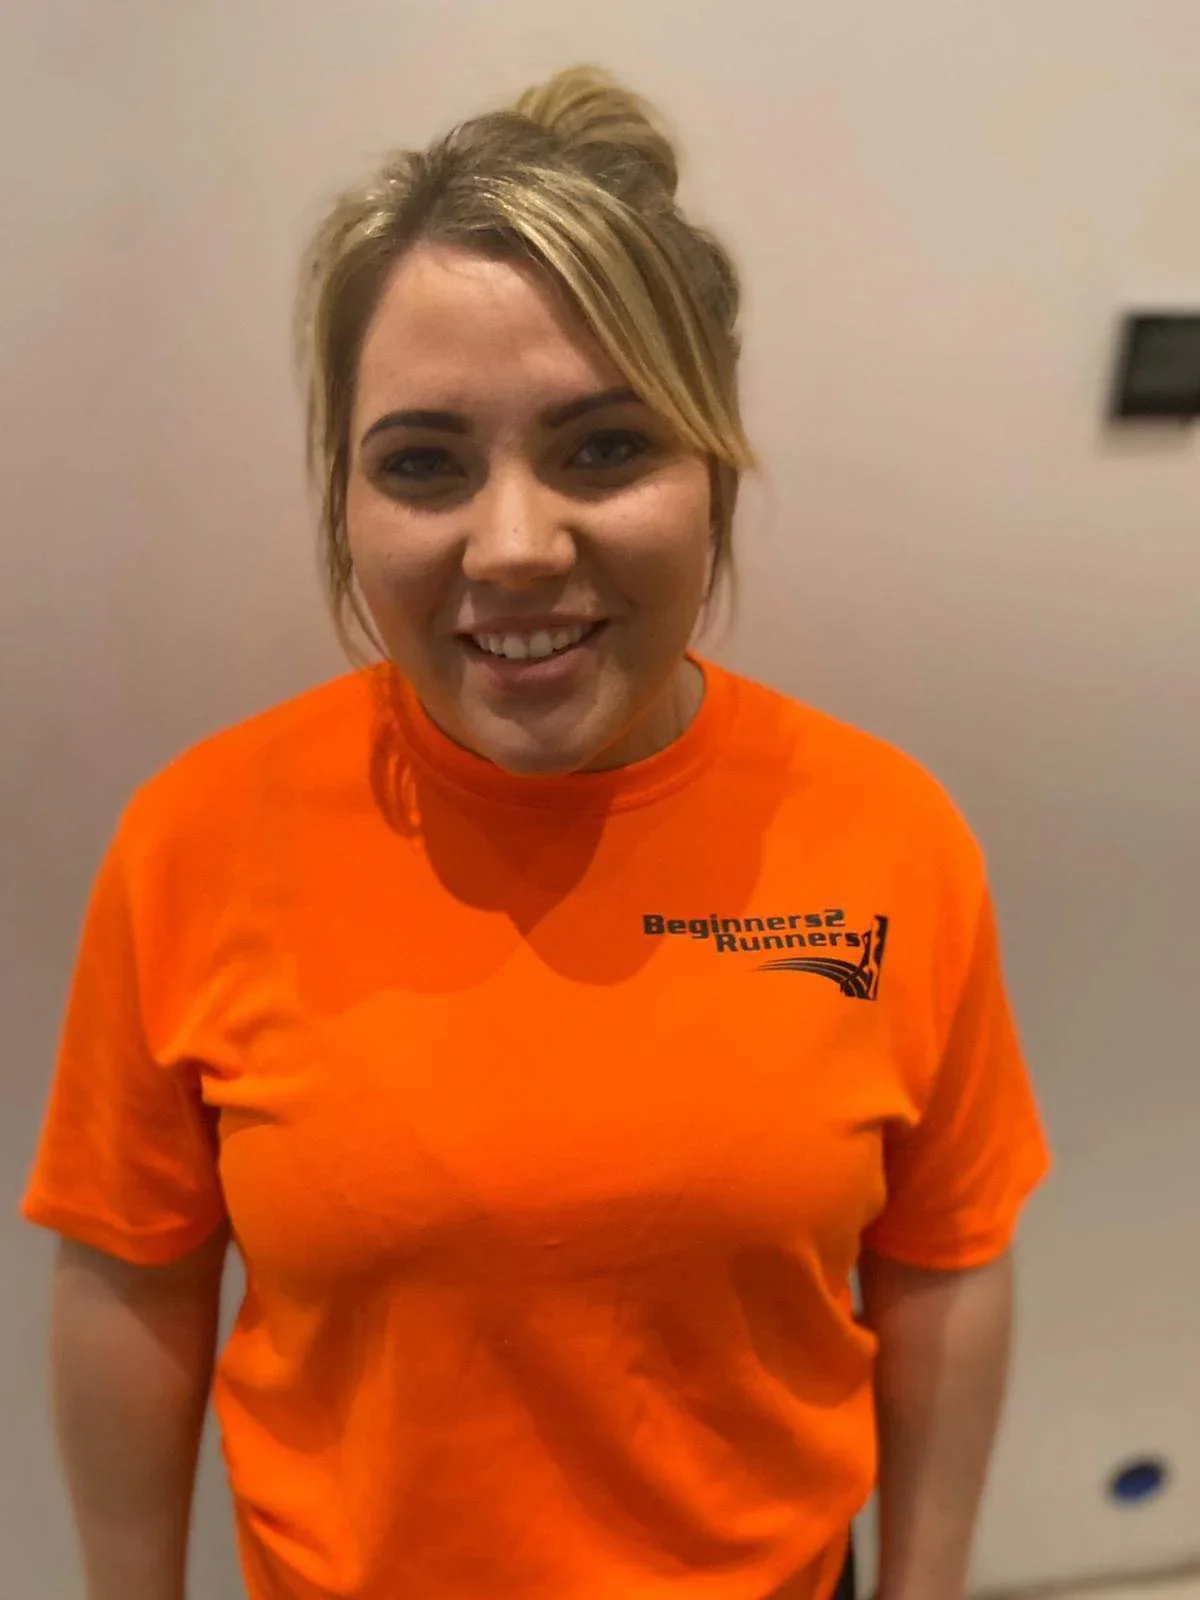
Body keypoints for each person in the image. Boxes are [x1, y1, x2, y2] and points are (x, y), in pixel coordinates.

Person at [23, 64, 1050, 1600]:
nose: (514, 547)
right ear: (349, 498)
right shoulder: (194, 843)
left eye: (603, 446)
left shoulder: (891, 837)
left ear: (712, 466)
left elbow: (944, 1265)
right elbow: (134, 1279)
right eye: (425, 462)